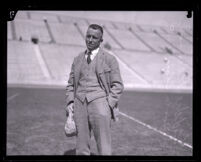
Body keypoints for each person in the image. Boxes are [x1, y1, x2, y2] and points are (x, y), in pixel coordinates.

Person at [65, 24, 124, 155]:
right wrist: (70, 102)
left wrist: (108, 105)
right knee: (81, 149)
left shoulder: (110, 59)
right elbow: (70, 84)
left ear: (100, 40)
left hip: (101, 106)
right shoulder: (77, 59)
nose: (90, 40)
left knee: (104, 148)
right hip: (79, 105)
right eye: (88, 36)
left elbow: (118, 85)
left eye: (94, 37)